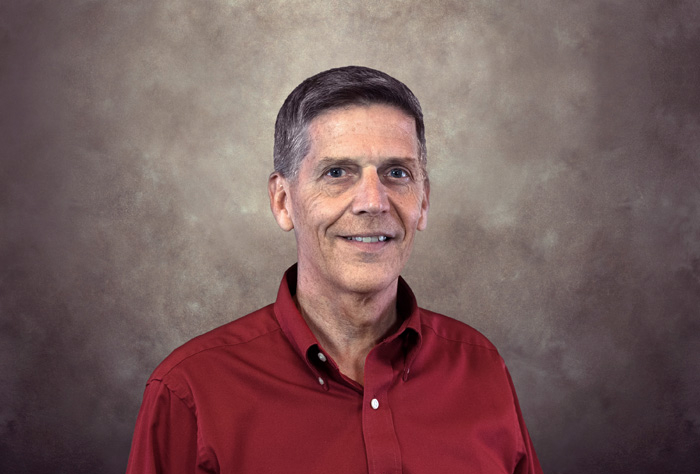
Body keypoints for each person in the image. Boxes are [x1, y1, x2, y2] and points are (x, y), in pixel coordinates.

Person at [125, 66, 542, 474]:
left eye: (397, 173)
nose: (373, 202)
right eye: (337, 172)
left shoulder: (482, 369)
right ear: (283, 201)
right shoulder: (191, 392)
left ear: (424, 201)